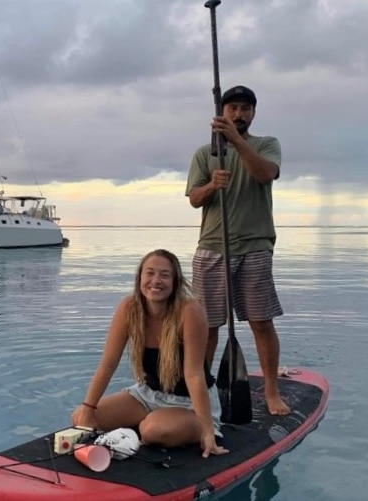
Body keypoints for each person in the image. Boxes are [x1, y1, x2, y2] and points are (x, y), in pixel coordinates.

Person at [185, 85, 290, 415]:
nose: (239, 114)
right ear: (221, 112)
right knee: (207, 327)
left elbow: (264, 175)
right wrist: (211, 185)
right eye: (232, 109)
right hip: (212, 247)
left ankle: (271, 391)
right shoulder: (205, 153)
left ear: (253, 113)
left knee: (261, 322)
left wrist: (236, 141)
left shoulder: (266, 145)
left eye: (245, 109)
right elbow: (194, 200)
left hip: (255, 246)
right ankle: (194, 394)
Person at [71, 250, 228, 458]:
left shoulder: (189, 312)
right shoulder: (129, 308)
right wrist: (88, 408)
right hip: (147, 395)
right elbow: (108, 364)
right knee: (80, 417)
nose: (156, 281)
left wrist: (208, 433)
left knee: (152, 431)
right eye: (150, 273)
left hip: (189, 403)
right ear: (140, 278)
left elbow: (194, 375)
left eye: (165, 275)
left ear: (175, 282)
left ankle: (186, 425)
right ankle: (155, 421)